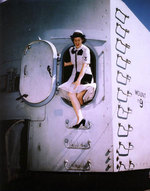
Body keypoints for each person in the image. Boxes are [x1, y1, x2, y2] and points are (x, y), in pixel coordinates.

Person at [59, 30, 96, 128]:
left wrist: (79, 79)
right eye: (75, 40)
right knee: (72, 94)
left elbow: (84, 65)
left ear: (82, 40)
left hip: (84, 74)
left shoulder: (85, 50)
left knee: (72, 94)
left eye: (79, 40)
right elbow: (74, 62)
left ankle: (80, 118)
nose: (77, 42)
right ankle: (80, 117)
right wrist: (66, 64)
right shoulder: (72, 50)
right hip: (74, 74)